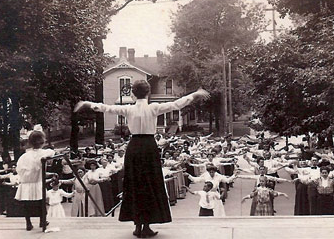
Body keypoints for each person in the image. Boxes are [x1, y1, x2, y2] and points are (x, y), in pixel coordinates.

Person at [75, 81, 209, 238]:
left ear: (133, 93)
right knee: (149, 183)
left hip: (134, 147)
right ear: (148, 93)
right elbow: (176, 105)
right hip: (148, 147)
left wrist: (87, 103)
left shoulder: (128, 109)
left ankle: (138, 225)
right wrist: (194, 94)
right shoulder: (153, 108)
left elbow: (106, 108)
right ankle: (146, 225)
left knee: (134, 183)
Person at [15, 129, 56, 231]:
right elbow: (52, 152)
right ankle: (42, 220)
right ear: (42, 142)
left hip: (26, 182)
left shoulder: (24, 156)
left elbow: (19, 169)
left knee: (26, 204)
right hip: (37, 182)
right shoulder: (43, 153)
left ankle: (28, 223)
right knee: (42, 202)